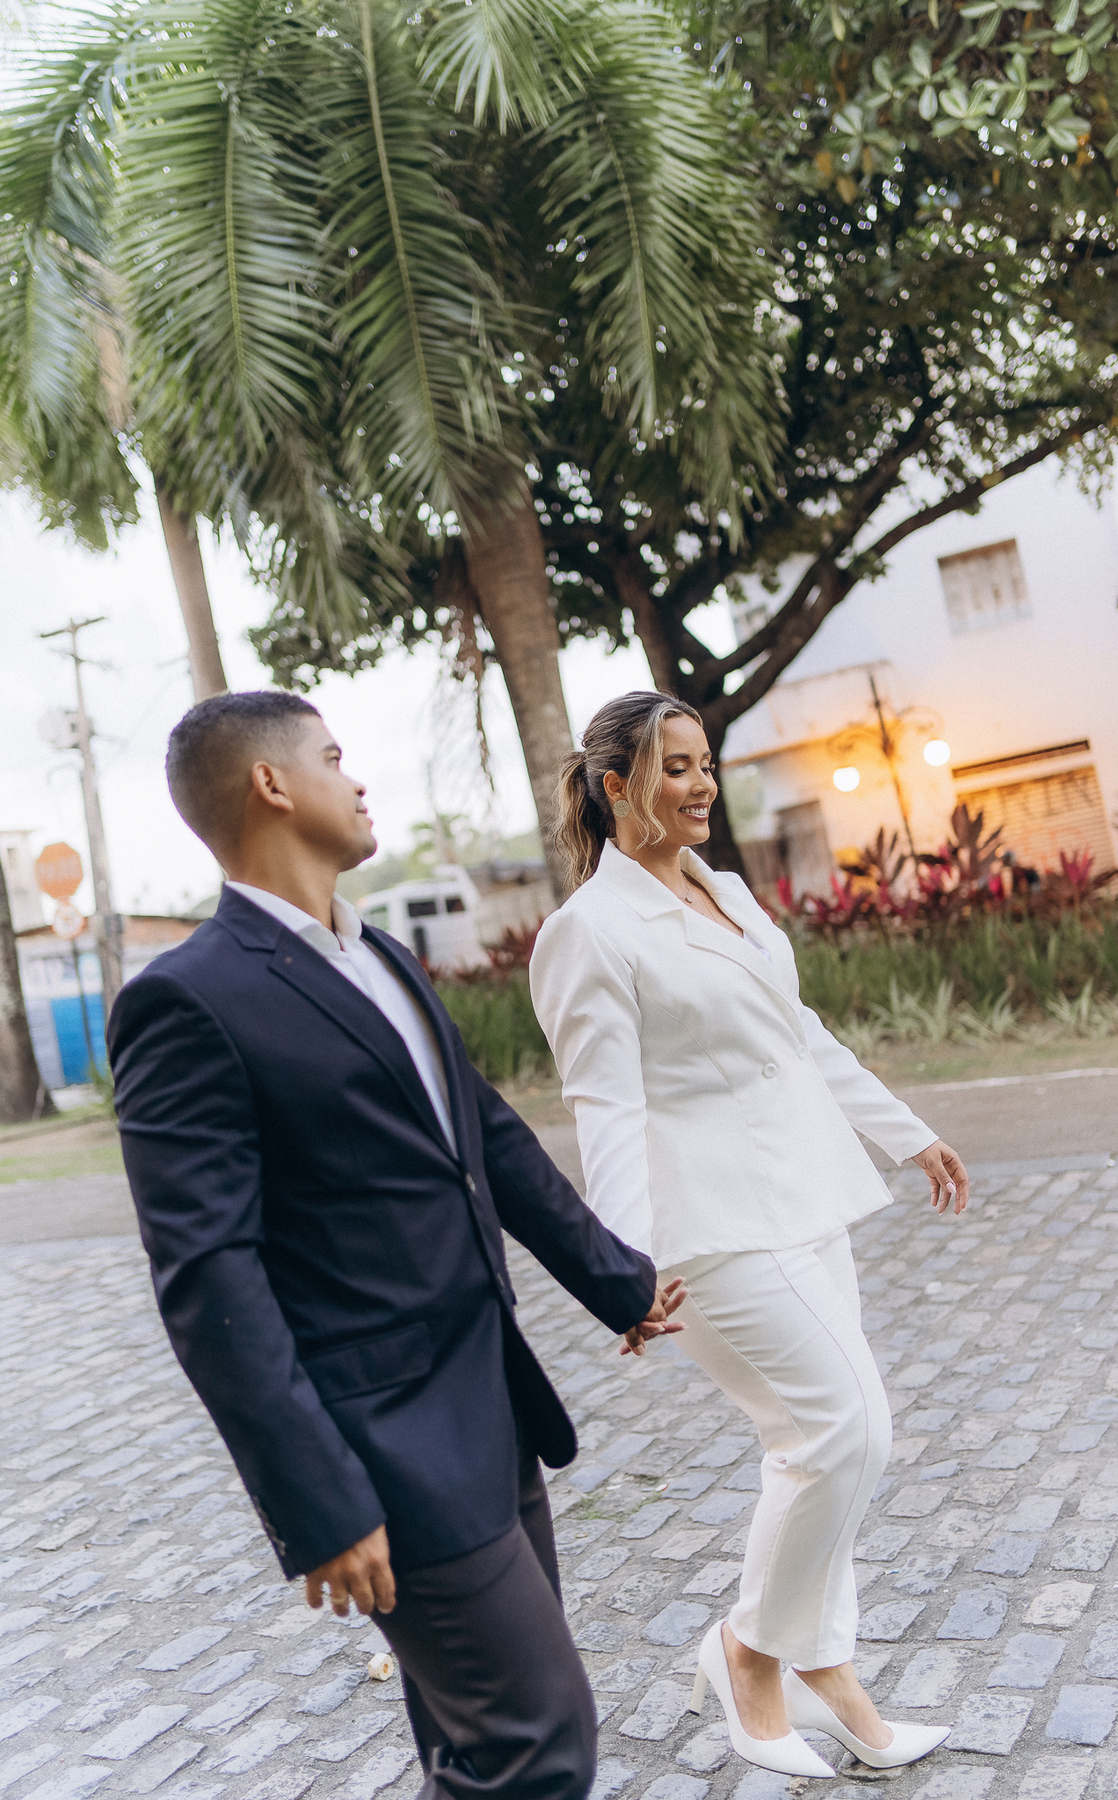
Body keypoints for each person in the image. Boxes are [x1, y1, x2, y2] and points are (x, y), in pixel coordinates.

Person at [107, 691, 686, 1800]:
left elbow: (487, 1144)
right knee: (537, 1734)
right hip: (384, 1448)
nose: (357, 778)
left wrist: (618, 1281)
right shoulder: (188, 1001)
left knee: (475, 1749)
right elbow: (208, 1279)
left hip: (487, 1405)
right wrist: (317, 1501)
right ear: (272, 786)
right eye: (333, 757)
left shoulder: (380, 958)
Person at [529, 691, 971, 1778]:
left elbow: (797, 1032)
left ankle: (830, 1674)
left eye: (704, 764)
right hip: (708, 1226)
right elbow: (610, 1109)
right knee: (843, 1429)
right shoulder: (586, 933)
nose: (697, 786)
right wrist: (622, 1269)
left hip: (807, 1195)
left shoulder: (722, 888)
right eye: (670, 767)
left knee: (820, 1443)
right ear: (614, 785)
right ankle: (748, 1653)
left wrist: (905, 1134)